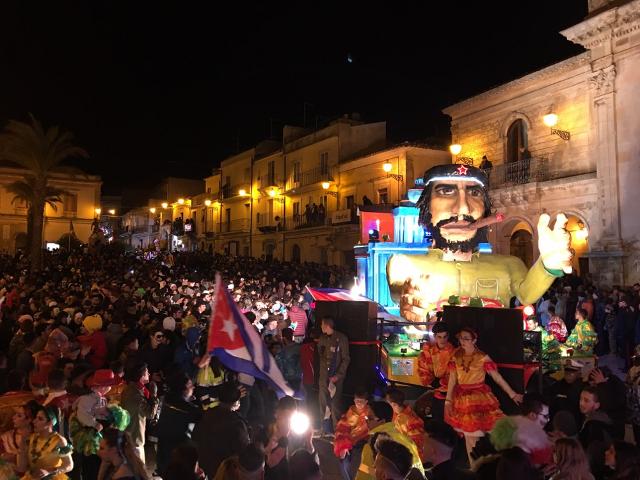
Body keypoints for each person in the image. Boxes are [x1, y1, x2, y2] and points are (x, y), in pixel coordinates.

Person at [387, 164, 572, 323]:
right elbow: (399, 289)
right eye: (445, 191)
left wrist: (548, 265)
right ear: (426, 208)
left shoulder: (509, 265)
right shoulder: (404, 263)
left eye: (474, 193)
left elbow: (527, 295)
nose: (463, 208)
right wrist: (409, 297)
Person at [444, 326, 523, 462]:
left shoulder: (482, 357)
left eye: (466, 338)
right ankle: (475, 468)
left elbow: (497, 377)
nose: (462, 341)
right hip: (464, 400)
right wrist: (448, 400)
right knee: (470, 437)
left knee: (495, 433)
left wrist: (512, 394)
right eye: (461, 338)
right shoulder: (456, 356)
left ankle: (499, 465)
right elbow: (452, 380)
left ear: (474, 340)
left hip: (480, 398)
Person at [192, 382, 250, 479]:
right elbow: (243, 451)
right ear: (236, 402)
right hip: (223, 472)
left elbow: (195, 437)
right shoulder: (237, 424)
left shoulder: (207, 415)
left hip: (205, 469)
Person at [355, 401, 424, 480]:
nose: (366, 421)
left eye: (370, 418)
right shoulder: (406, 439)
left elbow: (364, 476)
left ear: (382, 421)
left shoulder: (373, 445)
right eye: (366, 418)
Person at [155, 371, 202, 476]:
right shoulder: (191, 411)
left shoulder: (165, 400)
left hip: (163, 455)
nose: (193, 387)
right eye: (190, 385)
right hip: (181, 460)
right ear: (182, 388)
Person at [17, 405, 73, 480]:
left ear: (50, 423)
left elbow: (69, 465)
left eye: (40, 419)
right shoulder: (31, 438)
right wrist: (22, 441)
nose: (34, 421)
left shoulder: (59, 440)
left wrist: (49, 471)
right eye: (36, 418)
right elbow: (21, 468)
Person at [120, 362, 159, 464]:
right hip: (134, 436)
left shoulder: (132, 390)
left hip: (131, 435)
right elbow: (150, 414)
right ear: (141, 376)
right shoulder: (135, 394)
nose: (149, 374)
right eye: (147, 372)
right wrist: (154, 395)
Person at [317, 316, 350, 433]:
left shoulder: (341, 338)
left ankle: (337, 430)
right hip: (323, 376)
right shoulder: (322, 338)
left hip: (336, 377)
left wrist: (339, 375)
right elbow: (320, 356)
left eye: (322, 324)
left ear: (326, 325)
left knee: (335, 405)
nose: (321, 327)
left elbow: (346, 359)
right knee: (322, 403)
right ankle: (324, 428)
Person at [417, 321, 455, 421]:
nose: (442, 339)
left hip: (451, 391)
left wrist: (445, 383)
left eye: (445, 336)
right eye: (439, 337)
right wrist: (433, 382)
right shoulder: (428, 351)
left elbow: (456, 372)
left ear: (448, 336)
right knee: (437, 416)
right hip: (436, 390)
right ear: (435, 336)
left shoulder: (454, 352)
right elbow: (423, 368)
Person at [333, 390, 374, 478]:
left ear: (366, 402)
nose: (358, 403)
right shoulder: (351, 411)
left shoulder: (370, 412)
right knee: (343, 460)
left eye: (361, 401)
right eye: (357, 401)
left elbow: (371, 427)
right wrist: (344, 444)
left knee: (359, 463)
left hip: (363, 441)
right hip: (349, 440)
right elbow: (342, 427)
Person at [385, 388, 425, 462]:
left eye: (389, 404)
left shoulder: (409, 420)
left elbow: (417, 445)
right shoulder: (401, 411)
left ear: (394, 404)